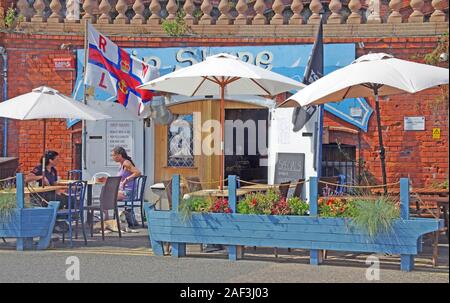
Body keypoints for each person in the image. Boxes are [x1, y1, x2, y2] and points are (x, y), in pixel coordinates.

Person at [111, 147, 141, 225]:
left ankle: (108, 220)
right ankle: (130, 217)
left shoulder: (126, 163)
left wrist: (127, 179)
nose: (112, 157)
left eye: (114, 155)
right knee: (107, 195)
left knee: (106, 196)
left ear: (119, 155)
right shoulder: (122, 164)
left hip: (128, 192)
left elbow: (138, 172)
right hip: (124, 191)